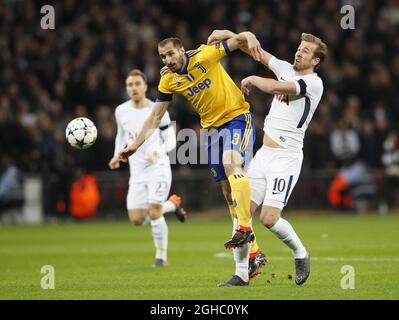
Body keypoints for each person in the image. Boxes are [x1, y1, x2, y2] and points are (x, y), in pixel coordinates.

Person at [118, 34, 268, 286]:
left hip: (236, 118)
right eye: (162, 57)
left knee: (233, 164)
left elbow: (239, 41)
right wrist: (134, 146)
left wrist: (248, 35)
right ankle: (253, 252)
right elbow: (155, 117)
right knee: (227, 190)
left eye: (170, 54)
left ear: (181, 50)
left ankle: (244, 229)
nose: (167, 60)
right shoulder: (168, 78)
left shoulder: (205, 55)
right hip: (210, 130)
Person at [212, 30, 327, 285]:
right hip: (264, 155)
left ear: (316, 61)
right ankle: (241, 274)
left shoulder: (314, 83)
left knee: (269, 219)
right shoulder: (285, 67)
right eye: (299, 47)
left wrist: (253, 78)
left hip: (286, 158)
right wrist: (229, 35)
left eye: (306, 51)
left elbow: (278, 87)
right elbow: (254, 49)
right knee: (241, 211)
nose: (299, 52)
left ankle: (301, 252)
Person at [109, 69, 187, 268]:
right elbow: (121, 135)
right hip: (137, 172)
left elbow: (170, 139)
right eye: (130, 85)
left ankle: (161, 258)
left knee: (153, 212)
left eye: (137, 84)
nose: (134, 88)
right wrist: (117, 155)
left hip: (157, 167)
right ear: (126, 88)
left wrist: (158, 152)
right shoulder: (121, 111)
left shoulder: (158, 110)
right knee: (137, 219)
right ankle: (172, 205)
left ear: (145, 87)